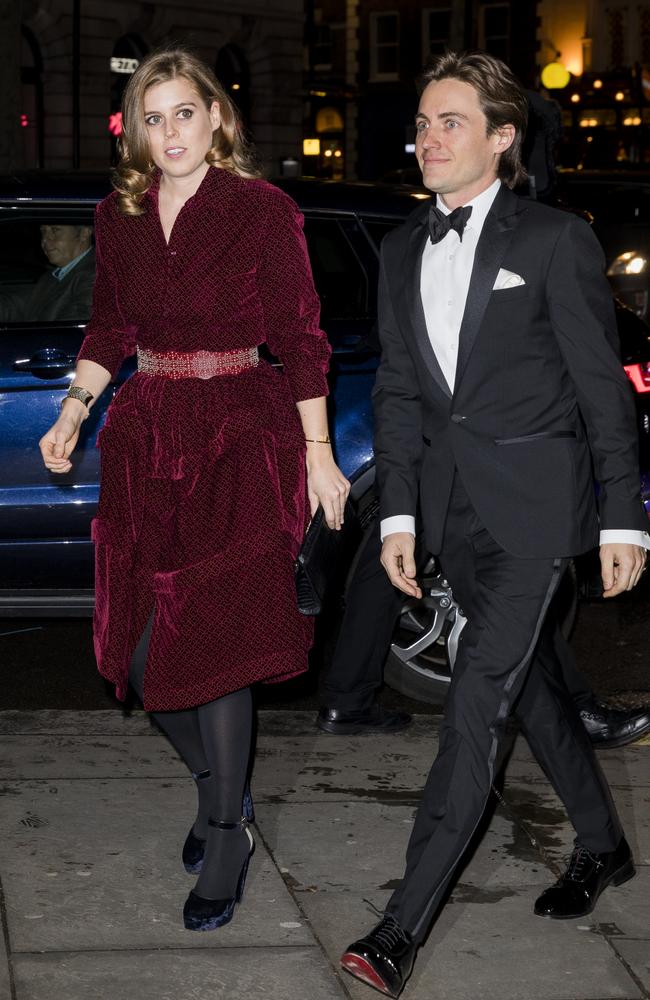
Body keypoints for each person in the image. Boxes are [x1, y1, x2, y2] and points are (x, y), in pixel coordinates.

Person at [340, 50, 648, 998]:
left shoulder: (556, 239)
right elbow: (398, 392)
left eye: (451, 122)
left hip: (538, 513)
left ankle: (398, 930)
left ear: (502, 137)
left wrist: (623, 518)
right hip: (448, 514)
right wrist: (397, 511)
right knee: (534, 688)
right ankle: (602, 847)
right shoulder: (399, 249)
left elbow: (604, 389)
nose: (428, 139)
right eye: (422, 124)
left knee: (476, 701)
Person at [38, 48, 349, 934]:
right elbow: (110, 326)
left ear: (216, 117)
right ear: (137, 128)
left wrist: (317, 453)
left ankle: (223, 836)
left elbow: (301, 336)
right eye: (153, 116)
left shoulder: (261, 209)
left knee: (215, 647)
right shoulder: (120, 214)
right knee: (139, 653)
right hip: (148, 435)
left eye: (184, 112)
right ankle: (226, 793)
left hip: (243, 435)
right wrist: (72, 412)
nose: (169, 132)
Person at [317, 517, 650, 746]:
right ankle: (574, 710)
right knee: (520, 586)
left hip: (423, 446)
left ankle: (347, 696)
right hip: (458, 448)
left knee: (388, 559)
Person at [0, 224, 95, 323]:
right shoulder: (54, 275)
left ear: (84, 232)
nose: (45, 240)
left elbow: (71, 332)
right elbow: (21, 306)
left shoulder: (95, 277)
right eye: (43, 232)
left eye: (55, 230)